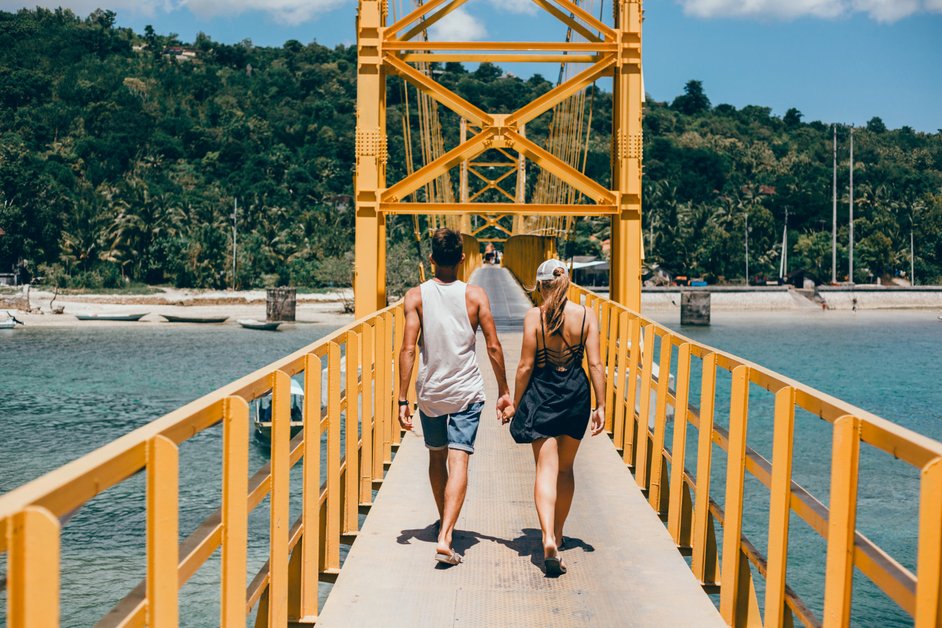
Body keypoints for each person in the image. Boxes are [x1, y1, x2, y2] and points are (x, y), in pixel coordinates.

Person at [398, 228, 513, 566]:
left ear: (431, 259)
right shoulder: (476, 296)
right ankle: (447, 534)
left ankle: (442, 523)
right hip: (466, 393)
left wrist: (402, 400)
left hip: (430, 393)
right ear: (464, 259)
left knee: (437, 458)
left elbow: (407, 349)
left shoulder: (415, 296)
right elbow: (493, 345)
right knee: (459, 460)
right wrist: (504, 391)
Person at [501, 258, 605, 576]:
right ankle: (559, 533)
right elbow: (596, 365)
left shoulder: (534, 316)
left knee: (544, 469)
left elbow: (524, 367)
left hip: (542, 394)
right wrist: (601, 405)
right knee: (566, 468)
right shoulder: (587, 315)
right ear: (567, 282)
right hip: (576, 394)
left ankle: (547, 537)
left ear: (540, 286)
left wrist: (514, 403)